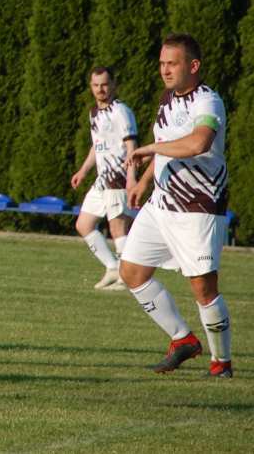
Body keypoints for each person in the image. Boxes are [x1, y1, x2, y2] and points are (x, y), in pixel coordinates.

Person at [121, 33, 232, 378]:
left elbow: (198, 142)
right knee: (132, 272)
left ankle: (221, 363)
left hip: (198, 208)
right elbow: (166, 143)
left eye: (172, 63)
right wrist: (143, 181)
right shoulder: (167, 99)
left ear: (193, 66)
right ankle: (183, 339)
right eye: (162, 64)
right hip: (161, 204)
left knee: (203, 288)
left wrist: (150, 150)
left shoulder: (208, 103)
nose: (165, 71)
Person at [70, 67, 137, 290]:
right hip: (102, 180)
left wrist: (132, 178)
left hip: (117, 178)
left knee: (118, 229)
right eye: (96, 85)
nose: (101, 89)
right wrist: (83, 171)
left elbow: (131, 146)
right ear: (91, 87)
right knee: (83, 224)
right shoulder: (94, 113)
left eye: (105, 84)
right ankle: (112, 267)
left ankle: (128, 277)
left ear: (113, 85)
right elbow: (96, 146)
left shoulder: (121, 111)